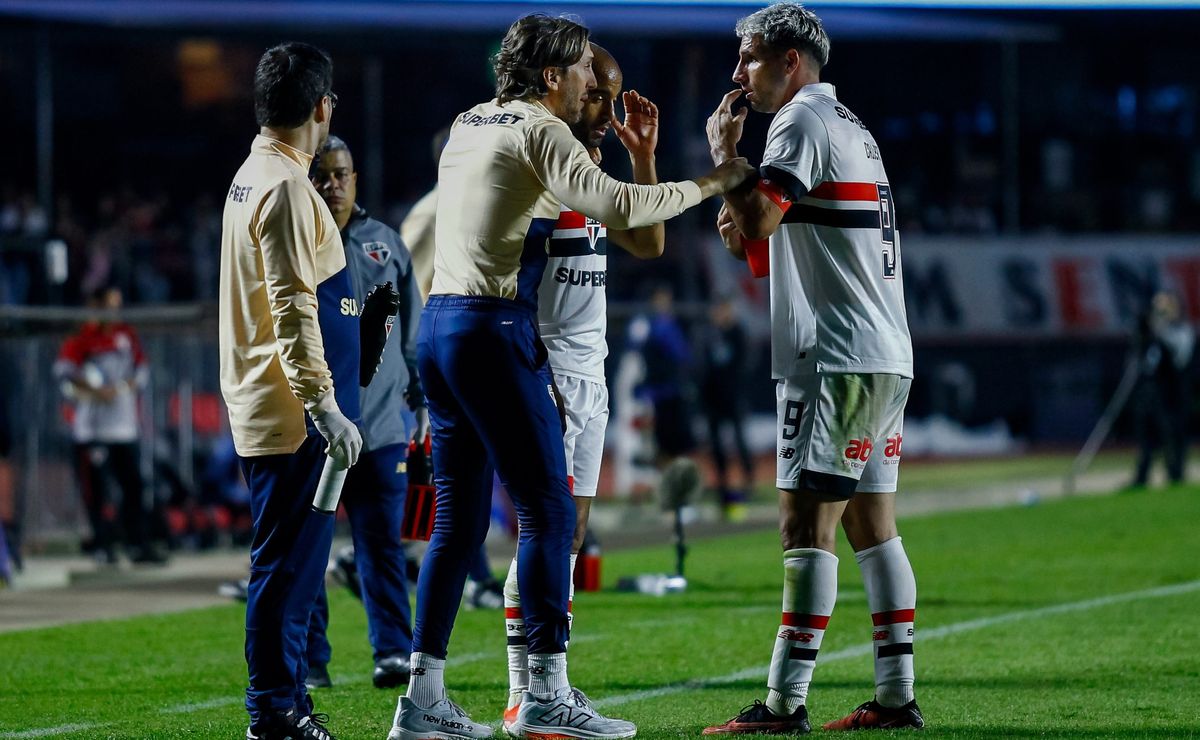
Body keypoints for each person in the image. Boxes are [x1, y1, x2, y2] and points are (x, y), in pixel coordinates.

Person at [388, 13, 754, 740]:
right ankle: (546, 693)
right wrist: (715, 180)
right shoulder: (543, 131)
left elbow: (610, 221)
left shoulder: (468, 121)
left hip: (444, 327)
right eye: (585, 74)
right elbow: (621, 208)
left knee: (458, 523)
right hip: (496, 330)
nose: (595, 88)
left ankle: (422, 697)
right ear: (552, 76)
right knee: (550, 513)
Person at [703, 3, 922, 733]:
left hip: (835, 358)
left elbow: (760, 221)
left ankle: (782, 703)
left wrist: (725, 161)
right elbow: (764, 250)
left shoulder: (798, 122)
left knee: (804, 526)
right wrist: (742, 206)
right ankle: (895, 698)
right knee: (872, 525)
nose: (738, 74)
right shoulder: (847, 125)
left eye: (749, 58)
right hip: (881, 352)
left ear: (789, 61)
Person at [498, 42, 669, 731]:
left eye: (615, 95)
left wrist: (645, 158)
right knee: (546, 532)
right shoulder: (536, 167)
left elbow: (650, 243)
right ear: (563, 88)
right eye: (595, 94)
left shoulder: (590, 168)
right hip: (551, 371)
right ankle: (533, 692)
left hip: (588, 372)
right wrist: (532, 363)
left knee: (566, 538)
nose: (604, 109)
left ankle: (535, 694)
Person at [219, 42, 362, 740]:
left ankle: (285, 703)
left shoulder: (257, 175)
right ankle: (274, 709)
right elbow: (291, 306)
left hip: (285, 412)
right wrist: (324, 404)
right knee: (287, 569)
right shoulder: (282, 186)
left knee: (294, 568)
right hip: (293, 419)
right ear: (321, 106)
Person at [303, 135, 428, 691]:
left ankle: (393, 652)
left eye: (341, 174)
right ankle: (310, 660)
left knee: (380, 544)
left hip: (378, 428)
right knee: (308, 549)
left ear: (356, 178)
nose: (333, 185)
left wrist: (422, 396)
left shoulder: (386, 245)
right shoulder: (299, 244)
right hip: (319, 429)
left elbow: (409, 331)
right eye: (322, 175)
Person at [53, 285, 166, 565]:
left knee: (134, 487)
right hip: (92, 430)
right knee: (98, 493)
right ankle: (103, 546)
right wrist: (93, 391)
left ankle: (137, 544)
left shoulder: (126, 335)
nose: (115, 311)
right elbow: (65, 374)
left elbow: (141, 372)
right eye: (110, 305)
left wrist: (122, 387)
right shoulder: (81, 338)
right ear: (96, 306)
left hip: (124, 428)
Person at [699, 295, 756, 518]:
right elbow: (702, 365)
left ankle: (748, 482)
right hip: (712, 399)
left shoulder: (738, 333)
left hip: (733, 397)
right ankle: (722, 484)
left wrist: (736, 387)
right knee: (716, 446)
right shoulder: (708, 334)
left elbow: (745, 364)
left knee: (740, 441)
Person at [1131, 291, 1194, 487]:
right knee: (1146, 433)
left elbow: (1181, 357)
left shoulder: (1182, 330)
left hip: (1173, 393)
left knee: (1173, 433)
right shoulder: (1149, 334)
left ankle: (1175, 473)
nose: (1161, 313)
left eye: (1165, 308)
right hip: (1151, 392)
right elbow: (1141, 360)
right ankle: (1142, 475)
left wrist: (1161, 331)